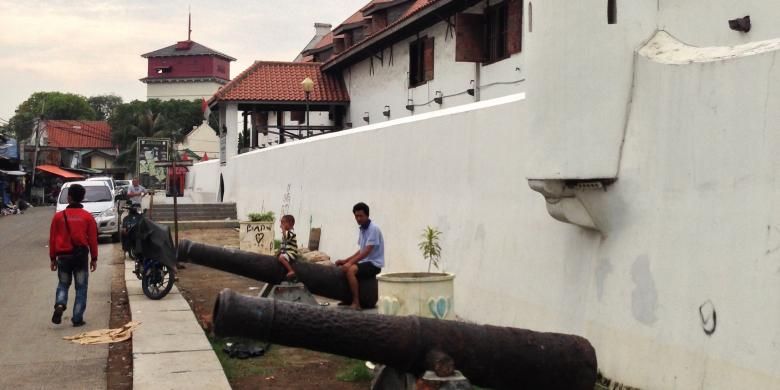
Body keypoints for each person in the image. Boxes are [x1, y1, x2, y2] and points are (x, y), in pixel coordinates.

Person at [49, 184, 98, 327]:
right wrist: (94, 258)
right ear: (82, 198)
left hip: (63, 257)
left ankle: (60, 303)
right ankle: (77, 318)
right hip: (80, 257)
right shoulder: (88, 217)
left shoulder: (58, 217)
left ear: (69, 197)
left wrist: (53, 258)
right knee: (81, 287)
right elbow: (93, 239)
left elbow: (52, 239)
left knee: (63, 284)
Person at [335, 202, 384, 310]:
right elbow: (361, 250)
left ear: (367, 215)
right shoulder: (362, 229)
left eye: (361, 216)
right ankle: (347, 299)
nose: (358, 218)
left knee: (351, 270)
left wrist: (350, 263)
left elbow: (366, 251)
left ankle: (356, 302)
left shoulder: (373, 229)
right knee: (344, 269)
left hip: (374, 263)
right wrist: (345, 260)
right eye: (356, 216)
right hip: (365, 262)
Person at [275, 214, 299, 280]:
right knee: (279, 257)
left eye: (283, 223)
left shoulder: (291, 233)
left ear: (290, 224)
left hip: (292, 253)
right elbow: (283, 244)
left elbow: (286, 238)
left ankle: (291, 271)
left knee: (281, 258)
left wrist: (283, 230)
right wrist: (279, 251)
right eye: (281, 223)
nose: (281, 225)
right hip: (287, 253)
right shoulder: (285, 234)